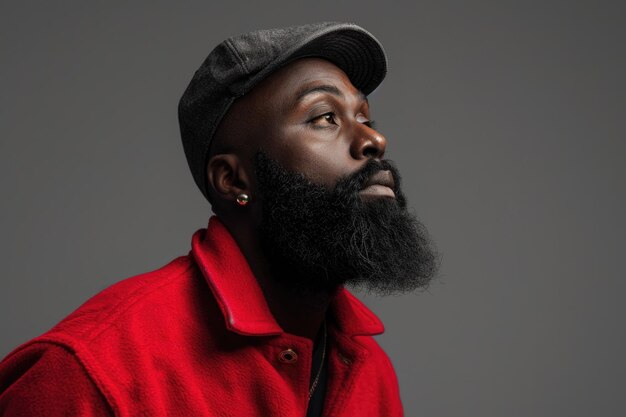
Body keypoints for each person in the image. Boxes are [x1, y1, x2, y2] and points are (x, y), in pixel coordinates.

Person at [0, 22, 438, 417]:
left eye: (365, 117)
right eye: (325, 117)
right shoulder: (92, 372)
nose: (375, 140)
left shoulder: (366, 368)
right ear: (232, 179)